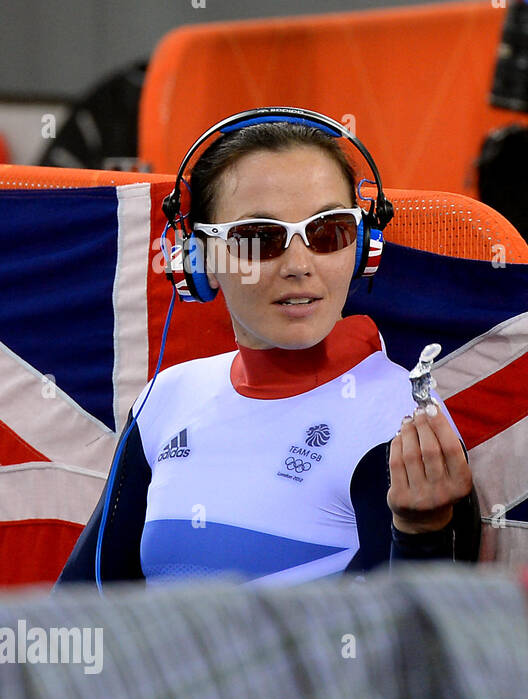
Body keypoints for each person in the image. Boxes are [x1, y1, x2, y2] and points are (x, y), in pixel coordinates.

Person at [57, 111, 479, 586]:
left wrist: (423, 537)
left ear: (364, 249)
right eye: (259, 238)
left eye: (328, 232)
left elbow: (414, 645)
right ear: (198, 261)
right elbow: (79, 615)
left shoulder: (397, 419)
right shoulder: (165, 398)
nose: (300, 265)